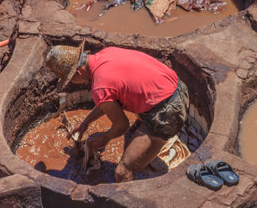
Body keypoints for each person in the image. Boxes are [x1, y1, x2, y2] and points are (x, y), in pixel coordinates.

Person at [45, 41, 189, 182]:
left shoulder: (100, 87)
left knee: (122, 172)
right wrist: (85, 123)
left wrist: (104, 138)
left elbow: (122, 125)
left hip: (168, 112)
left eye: (70, 80)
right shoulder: (106, 53)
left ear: (78, 72)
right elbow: (108, 100)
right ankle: (149, 160)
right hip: (178, 88)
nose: (72, 83)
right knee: (130, 143)